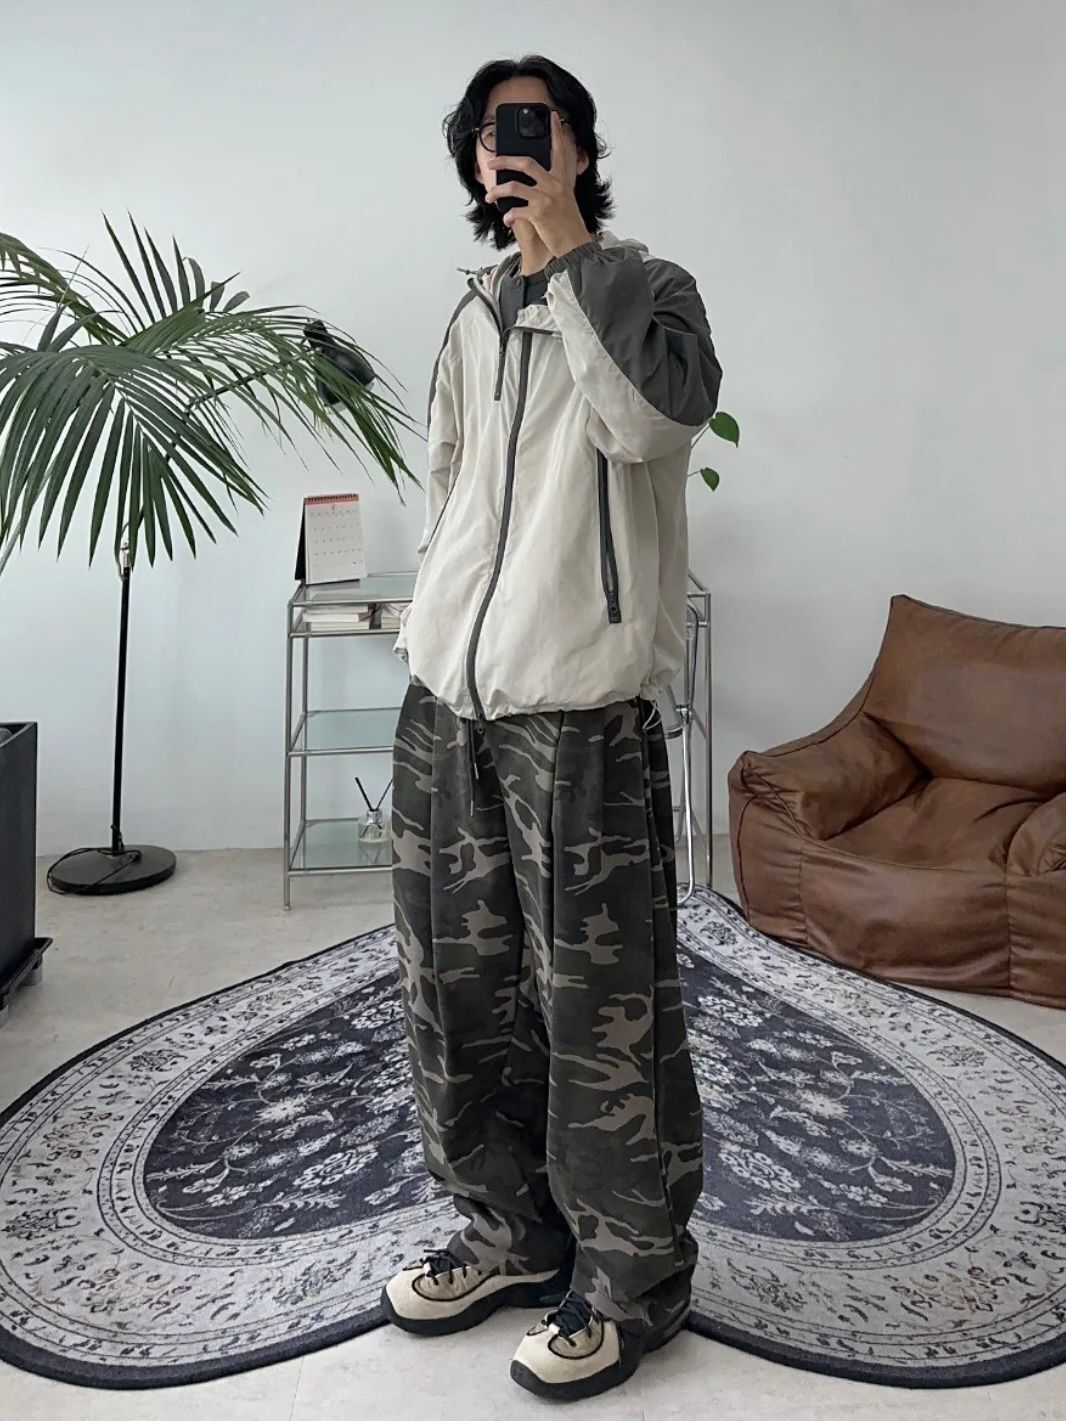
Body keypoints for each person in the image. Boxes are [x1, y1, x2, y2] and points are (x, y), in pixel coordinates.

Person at [384, 53, 722, 1402]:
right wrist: (431, 616)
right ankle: (508, 1233)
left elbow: (648, 427)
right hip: (450, 699)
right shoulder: (472, 312)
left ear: (578, 144)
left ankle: (633, 1280)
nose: (507, 146)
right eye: (489, 131)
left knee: (600, 1001)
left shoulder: (652, 288)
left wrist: (573, 261)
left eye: (533, 124)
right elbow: (446, 477)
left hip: (578, 707)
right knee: (454, 988)